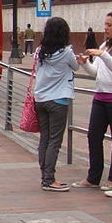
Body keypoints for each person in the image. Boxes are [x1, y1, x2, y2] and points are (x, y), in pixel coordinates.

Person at [72, 10, 112, 190]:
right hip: (100, 96)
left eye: (109, 25)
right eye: (105, 25)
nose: (105, 29)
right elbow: (97, 73)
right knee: (93, 135)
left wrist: (102, 54)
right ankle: (93, 177)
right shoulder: (105, 45)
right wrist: (85, 64)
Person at [33, 17, 79, 191]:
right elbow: (76, 67)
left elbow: (38, 71)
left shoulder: (39, 51)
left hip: (41, 100)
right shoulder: (67, 52)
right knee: (55, 141)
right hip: (58, 100)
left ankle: (45, 175)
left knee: (45, 138)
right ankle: (49, 179)